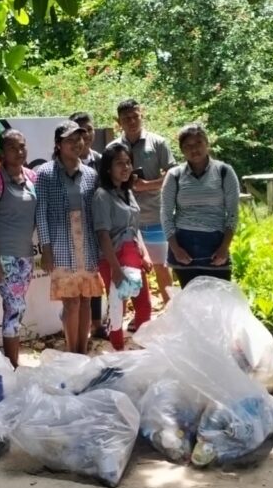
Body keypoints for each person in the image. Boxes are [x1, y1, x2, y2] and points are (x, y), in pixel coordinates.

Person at [36, 120, 104, 354]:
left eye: (79, 139)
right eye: (70, 140)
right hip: (61, 245)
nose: (77, 144)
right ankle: (71, 350)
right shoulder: (45, 173)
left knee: (85, 300)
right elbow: (41, 212)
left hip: (87, 245)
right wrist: (46, 248)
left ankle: (82, 351)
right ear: (58, 144)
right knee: (71, 302)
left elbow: (95, 213)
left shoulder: (91, 174)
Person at [109, 99, 176, 329]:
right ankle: (137, 318)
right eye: (126, 118)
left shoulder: (158, 143)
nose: (131, 121)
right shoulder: (113, 148)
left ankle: (173, 317)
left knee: (161, 268)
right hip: (126, 223)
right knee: (131, 270)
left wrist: (146, 185)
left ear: (141, 115)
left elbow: (173, 175)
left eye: (135, 116)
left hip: (156, 216)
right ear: (118, 122)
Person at [0, 130, 37, 367]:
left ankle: (10, 363)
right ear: (2, 152)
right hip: (3, 256)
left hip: (26, 255)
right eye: (12, 147)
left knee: (13, 307)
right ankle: (13, 366)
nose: (19, 151)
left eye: (22, 146)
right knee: (15, 308)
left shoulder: (32, 178)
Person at [161, 123, 240, 287]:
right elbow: (165, 214)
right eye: (188, 146)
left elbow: (233, 213)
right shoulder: (174, 175)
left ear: (207, 144)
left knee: (218, 299)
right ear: (182, 150)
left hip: (215, 246)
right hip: (184, 247)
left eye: (198, 143)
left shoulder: (224, 171)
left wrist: (224, 247)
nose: (194, 149)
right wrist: (176, 249)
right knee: (190, 299)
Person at [93, 143, 153, 350]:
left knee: (144, 305)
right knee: (117, 307)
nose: (125, 167)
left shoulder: (127, 191)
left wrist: (145, 254)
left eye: (128, 163)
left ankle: (143, 348)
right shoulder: (102, 195)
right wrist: (116, 269)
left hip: (132, 254)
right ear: (108, 168)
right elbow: (102, 234)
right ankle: (117, 350)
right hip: (113, 257)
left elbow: (134, 227)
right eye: (119, 163)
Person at [71, 110, 107, 339]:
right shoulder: (62, 163)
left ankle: (97, 324)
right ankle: (75, 328)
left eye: (90, 129)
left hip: (99, 227)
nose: (86, 135)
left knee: (96, 276)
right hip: (73, 231)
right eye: (81, 131)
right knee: (75, 282)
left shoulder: (102, 160)